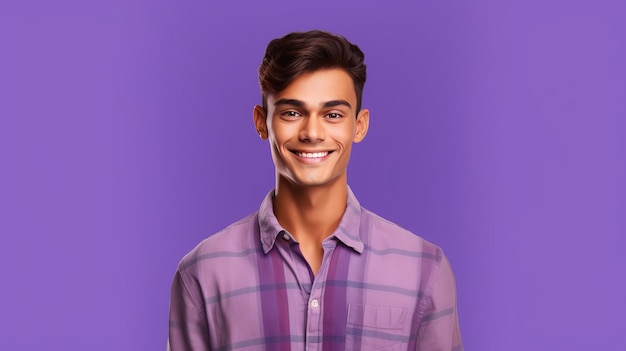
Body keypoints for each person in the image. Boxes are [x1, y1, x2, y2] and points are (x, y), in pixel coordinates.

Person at [168, 30, 463, 351]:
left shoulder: (423, 269)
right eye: (292, 113)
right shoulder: (203, 272)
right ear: (262, 122)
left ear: (359, 125)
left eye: (333, 114)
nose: (311, 132)